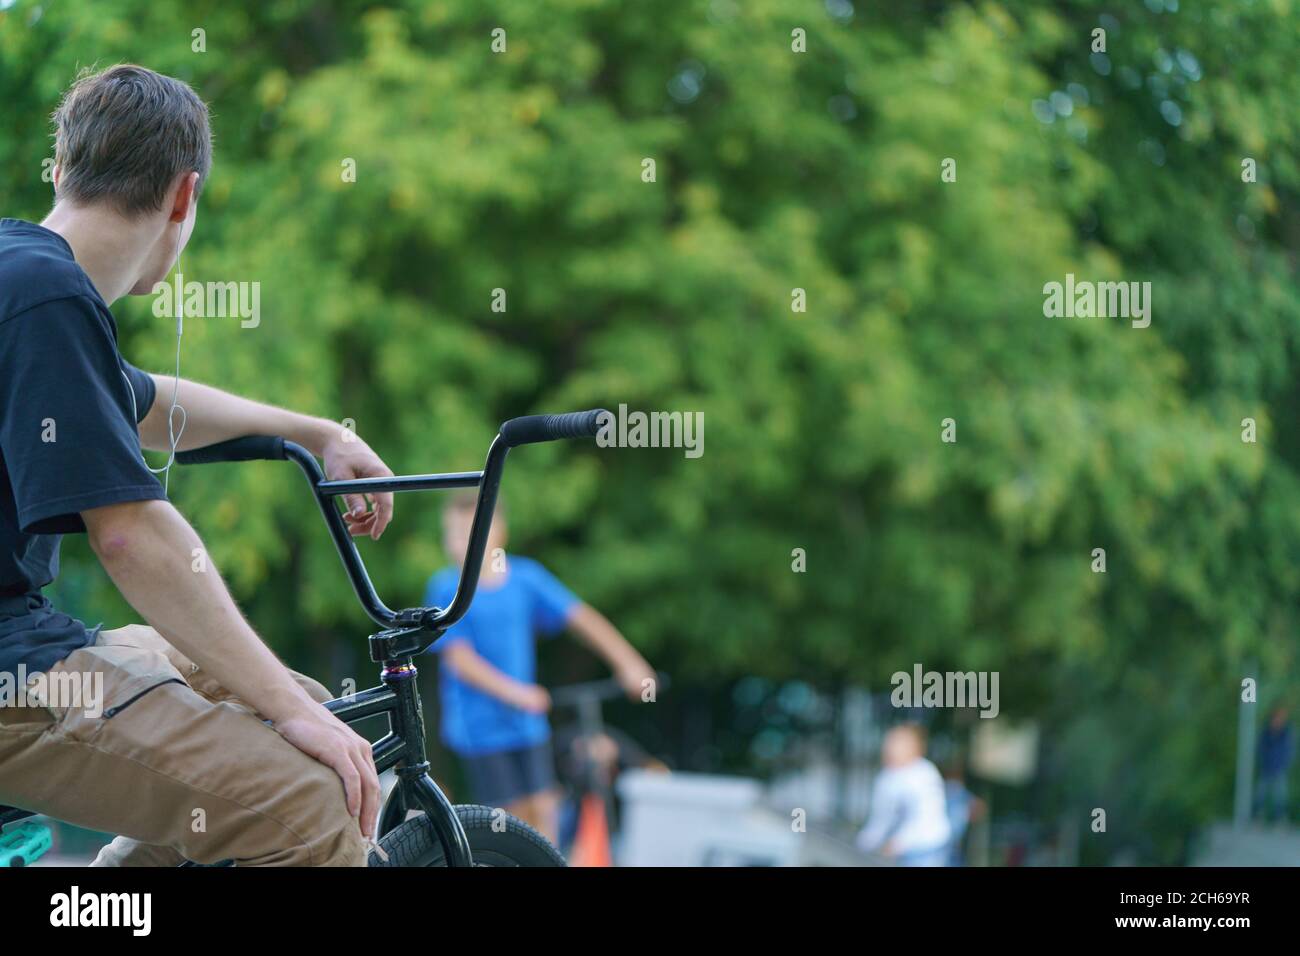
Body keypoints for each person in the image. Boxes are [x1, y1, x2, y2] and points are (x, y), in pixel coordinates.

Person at [0, 65, 392, 866]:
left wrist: (317, 431)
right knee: (316, 802)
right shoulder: (46, 296)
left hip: (26, 648)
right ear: (185, 197)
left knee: (305, 707)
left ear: (64, 169)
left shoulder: (23, 273)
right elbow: (129, 538)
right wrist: (288, 712)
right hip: (15, 672)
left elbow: (146, 403)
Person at [425, 491, 655, 844]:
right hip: (480, 730)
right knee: (511, 824)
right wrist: (516, 693)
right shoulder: (445, 587)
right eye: (451, 533)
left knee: (543, 817)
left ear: (497, 531)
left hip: (527, 725)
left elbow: (581, 619)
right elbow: (460, 659)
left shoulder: (526, 579)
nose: (456, 543)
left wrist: (630, 663)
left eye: (467, 532)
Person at [856, 723, 952, 866]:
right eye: (889, 741)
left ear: (914, 748)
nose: (889, 747)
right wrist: (864, 842)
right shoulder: (886, 777)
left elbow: (924, 817)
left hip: (928, 847)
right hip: (905, 850)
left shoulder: (924, 774)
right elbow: (881, 817)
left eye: (896, 742)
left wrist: (899, 842)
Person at [1255, 705, 1294, 824]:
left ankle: (1280, 818)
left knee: (1280, 794)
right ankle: (1258, 817)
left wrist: (1285, 764)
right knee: (1261, 792)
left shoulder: (1286, 733)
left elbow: (1289, 751)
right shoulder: (1266, 732)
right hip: (1267, 767)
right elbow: (1261, 748)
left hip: (1280, 768)